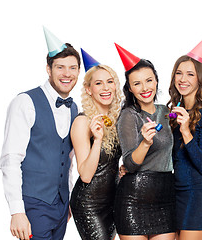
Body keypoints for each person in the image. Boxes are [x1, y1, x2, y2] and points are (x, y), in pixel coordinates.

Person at [0, 27, 80, 240]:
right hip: (34, 205)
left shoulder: (74, 108)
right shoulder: (25, 102)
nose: (67, 74)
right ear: (48, 69)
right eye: (60, 67)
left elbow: (68, 160)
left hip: (62, 208)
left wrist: (69, 199)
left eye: (72, 68)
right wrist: (17, 211)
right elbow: (10, 159)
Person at [113, 43, 175, 240]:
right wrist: (145, 143)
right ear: (130, 88)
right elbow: (130, 164)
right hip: (134, 198)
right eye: (137, 83)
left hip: (165, 196)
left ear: (156, 81)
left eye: (149, 80)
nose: (145, 87)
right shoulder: (128, 115)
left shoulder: (165, 112)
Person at [168, 35, 202, 240]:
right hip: (174, 192)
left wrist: (186, 131)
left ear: (200, 78)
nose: (183, 79)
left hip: (199, 193)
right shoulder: (173, 111)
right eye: (179, 73)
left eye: (190, 74)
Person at [69, 48, 122, 240]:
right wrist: (98, 139)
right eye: (98, 83)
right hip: (88, 204)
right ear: (89, 89)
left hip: (113, 201)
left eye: (110, 82)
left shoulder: (118, 119)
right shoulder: (82, 122)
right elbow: (85, 174)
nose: (105, 88)